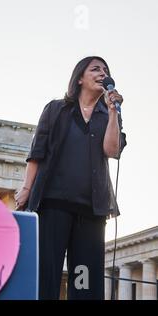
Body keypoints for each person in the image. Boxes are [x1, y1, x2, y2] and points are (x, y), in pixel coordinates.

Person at [14, 56, 127, 300]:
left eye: (105, 70)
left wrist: (111, 113)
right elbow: (37, 153)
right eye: (95, 69)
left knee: (84, 280)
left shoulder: (108, 114)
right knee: (47, 274)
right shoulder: (57, 109)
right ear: (79, 79)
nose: (102, 73)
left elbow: (112, 150)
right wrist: (26, 189)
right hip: (54, 204)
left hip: (91, 211)